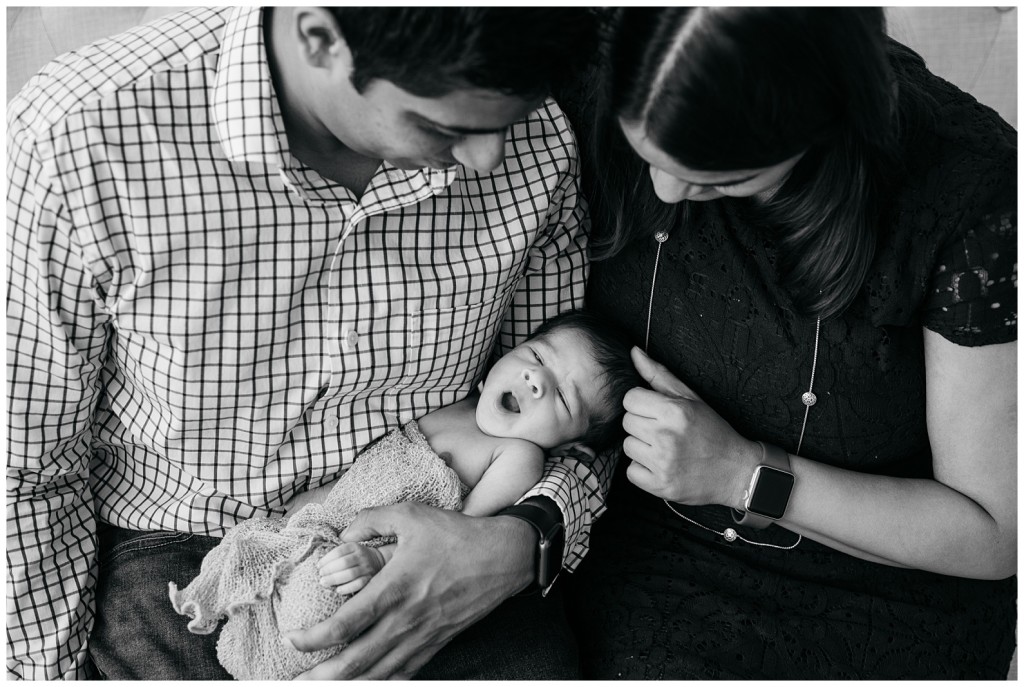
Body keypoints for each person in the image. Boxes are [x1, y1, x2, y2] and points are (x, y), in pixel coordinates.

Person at [6, 7, 606, 680]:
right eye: (445, 125)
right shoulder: (79, 140)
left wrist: (524, 538)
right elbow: (25, 468)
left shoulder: (533, 140)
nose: (491, 157)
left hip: (438, 534)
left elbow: (576, 409)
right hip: (179, 556)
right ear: (319, 38)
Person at [563, 7, 1017, 680]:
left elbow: (993, 533)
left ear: (829, 124)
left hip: (873, 594)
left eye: (720, 178)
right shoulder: (598, 65)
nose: (664, 190)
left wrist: (745, 473)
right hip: (630, 544)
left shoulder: (970, 197)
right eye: (644, 151)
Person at [168, 309, 641, 680]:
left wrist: (379, 561)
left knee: (318, 599)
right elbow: (371, 465)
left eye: (561, 397)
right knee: (255, 555)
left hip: (380, 554)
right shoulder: (458, 401)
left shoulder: (519, 458)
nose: (535, 380)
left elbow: (456, 537)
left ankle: (279, 660)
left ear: (572, 445)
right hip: (338, 519)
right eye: (536, 357)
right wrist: (319, 501)